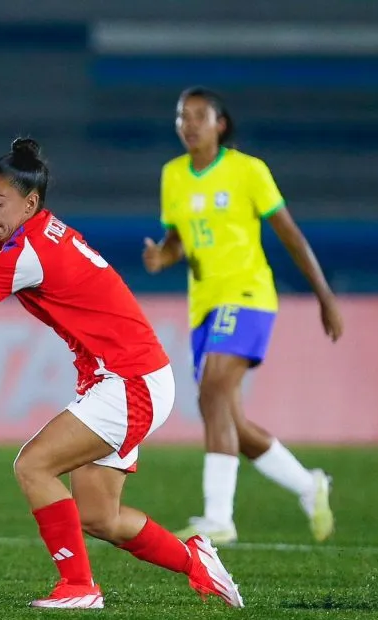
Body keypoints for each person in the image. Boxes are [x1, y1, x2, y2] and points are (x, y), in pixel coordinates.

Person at [0, 137, 244, 610]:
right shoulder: (38, 231)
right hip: (133, 376)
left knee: (33, 465)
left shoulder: (30, 253)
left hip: (128, 381)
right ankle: (196, 560)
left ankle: (80, 588)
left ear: (30, 202)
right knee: (101, 517)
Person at [142, 86, 344, 545]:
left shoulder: (247, 171)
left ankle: (219, 518)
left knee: (213, 388)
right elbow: (176, 239)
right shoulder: (172, 176)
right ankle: (309, 485)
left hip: (248, 294)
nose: (189, 124)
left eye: (199, 115)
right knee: (229, 420)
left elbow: (289, 234)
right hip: (204, 306)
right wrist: (163, 257)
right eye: (182, 116)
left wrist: (324, 295)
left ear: (220, 124)